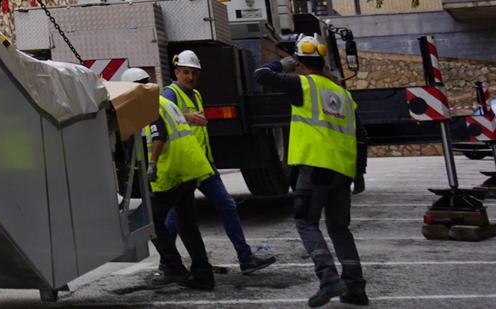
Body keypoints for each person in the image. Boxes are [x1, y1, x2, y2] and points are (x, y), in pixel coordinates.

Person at [257, 35, 366, 307]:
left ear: (301, 63)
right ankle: (355, 288)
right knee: (340, 229)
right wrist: (359, 173)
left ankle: (329, 279)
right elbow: (361, 136)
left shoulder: (301, 84)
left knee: (306, 222)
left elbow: (261, 75)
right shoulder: (343, 94)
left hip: (315, 167)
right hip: (342, 171)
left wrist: (286, 62)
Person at [161, 49, 276, 273]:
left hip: (203, 164)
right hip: (185, 167)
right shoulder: (170, 94)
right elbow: (161, 117)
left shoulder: (196, 95)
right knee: (174, 218)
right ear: (176, 72)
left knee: (227, 206)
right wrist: (188, 117)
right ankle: (166, 264)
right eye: (186, 72)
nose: (191, 77)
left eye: (194, 73)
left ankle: (245, 258)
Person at [147, 69, 217, 290]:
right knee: (187, 224)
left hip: (175, 171)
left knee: (151, 218)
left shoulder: (149, 106)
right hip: (190, 168)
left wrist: (152, 164)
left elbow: (158, 135)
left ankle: (172, 266)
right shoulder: (166, 102)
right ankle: (203, 274)